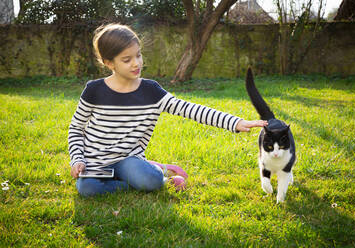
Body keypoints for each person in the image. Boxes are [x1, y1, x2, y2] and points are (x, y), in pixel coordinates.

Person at [68, 23, 267, 197]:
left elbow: (189, 109)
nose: (136, 63)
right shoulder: (94, 90)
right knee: (87, 189)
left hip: (129, 159)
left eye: (138, 55)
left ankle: (157, 173)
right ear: (108, 63)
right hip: (96, 163)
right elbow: (76, 128)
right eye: (127, 59)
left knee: (151, 183)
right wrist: (77, 159)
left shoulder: (151, 90)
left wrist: (235, 122)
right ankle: (138, 179)